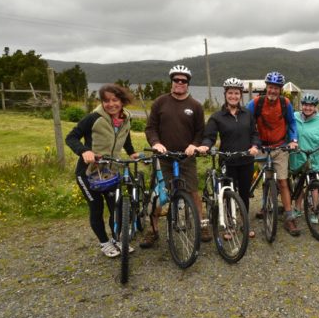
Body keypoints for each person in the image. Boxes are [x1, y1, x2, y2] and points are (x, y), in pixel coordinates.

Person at [66, 84, 138, 258]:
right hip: (88, 173)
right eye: (106, 100)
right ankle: (105, 243)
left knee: (116, 208)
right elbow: (71, 137)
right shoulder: (93, 118)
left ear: (122, 100)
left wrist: (131, 152)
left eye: (115, 100)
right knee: (96, 208)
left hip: (110, 172)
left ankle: (117, 239)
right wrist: (84, 151)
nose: (111, 104)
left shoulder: (126, 118)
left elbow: (125, 136)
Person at [141, 65, 207, 247]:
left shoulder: (195, 106)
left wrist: (194, 145)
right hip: (164, 157)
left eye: (183, 81)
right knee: (159, 195)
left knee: (193, 192)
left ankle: (202, 224)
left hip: (186, 158)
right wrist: (156, 143)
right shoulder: (160, 102)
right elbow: (150, 127)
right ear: (171, 82)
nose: (179, 83)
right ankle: (152, 230)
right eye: (176, 80)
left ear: (188, 84)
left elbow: (200, 131)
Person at [197, 77, 260, 238]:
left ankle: (244, 223)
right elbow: (209, 136)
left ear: (241, 95)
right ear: (225, 94)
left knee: (244, 194)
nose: (233, 96)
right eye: (230, 93)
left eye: (237, 93)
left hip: (246, 160)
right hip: (227, 160)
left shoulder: (247, 114)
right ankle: (229, 225)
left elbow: (254, 134)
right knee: (227, 193)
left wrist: (254, 146)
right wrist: (206, 145)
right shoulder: (217, 117)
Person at [246, 71, 300, 236]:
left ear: (280, 89)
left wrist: (294, 140)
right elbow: (244, 121)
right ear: (266, 87)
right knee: (267, 179)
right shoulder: (256, 103)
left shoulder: (285, 103)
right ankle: (266, 206)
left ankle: (289, 217)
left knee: (283, 182)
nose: (273, 91)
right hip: (261, 148)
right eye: (270, 87)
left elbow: (292, 123)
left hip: (279, 148)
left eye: (276, 88)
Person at [288, 93, 319, 224]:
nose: (307, 108)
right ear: (301, 105)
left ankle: (315, 210)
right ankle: (297, 209)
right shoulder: (294, 117)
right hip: (297, 157)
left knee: (314, 186)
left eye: (310, 106)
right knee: (298, 184)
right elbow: (288, 130)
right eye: (305, 105)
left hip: (315, 159)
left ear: (315, 107)